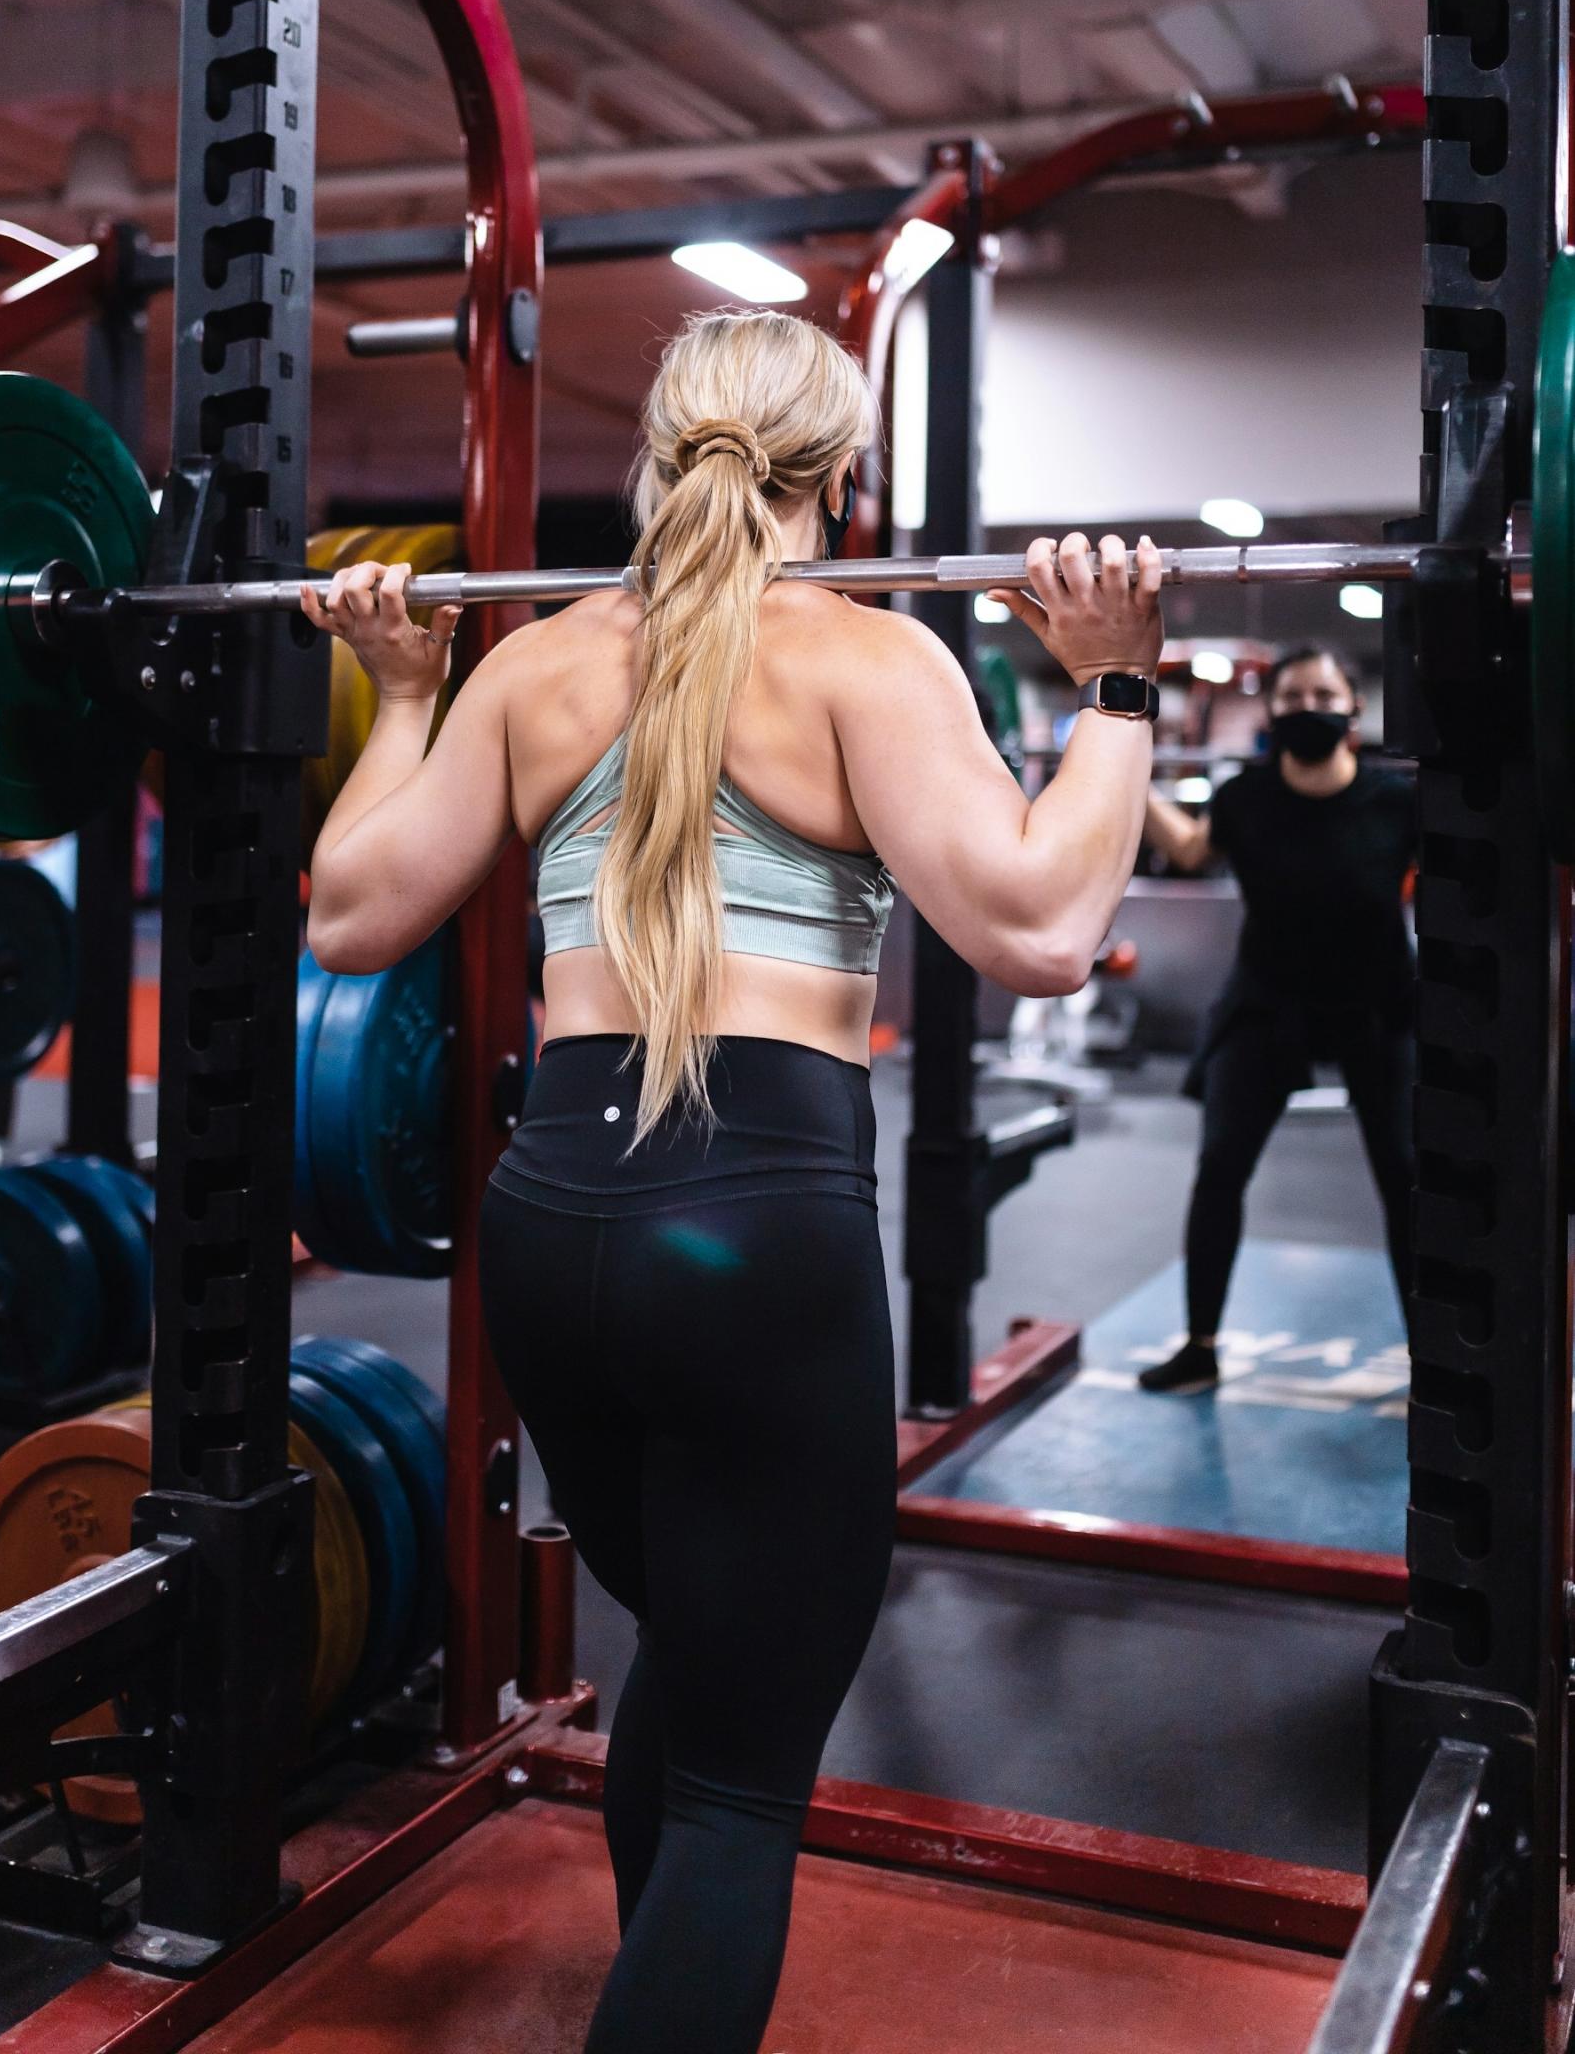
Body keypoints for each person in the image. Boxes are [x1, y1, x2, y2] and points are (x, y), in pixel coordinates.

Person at [301, 309, 1164, 2054]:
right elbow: (1043, 931)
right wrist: (1116, 687)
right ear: (837, 476)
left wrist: (399, 698)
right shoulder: (866, 658)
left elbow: (347, 914)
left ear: (659, 453)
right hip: (753, 1236)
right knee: (739, 1790)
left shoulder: (531, 666)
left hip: (552, 1234)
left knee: (695, 1674)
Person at [1137, 646, 1416, 1395]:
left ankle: (1434, 1357)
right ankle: (1199, 1347)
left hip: (1378, 1004)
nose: (1306, 708)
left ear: (1354, 708)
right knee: (1219, 1168)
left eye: (1323, 694)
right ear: (1270, 709)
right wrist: (1126, 778)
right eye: (1291, 696)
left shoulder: (1397, 802)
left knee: (1407, 1179)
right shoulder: (1245, 797)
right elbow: (1191, 851)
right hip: (1268, 1002)